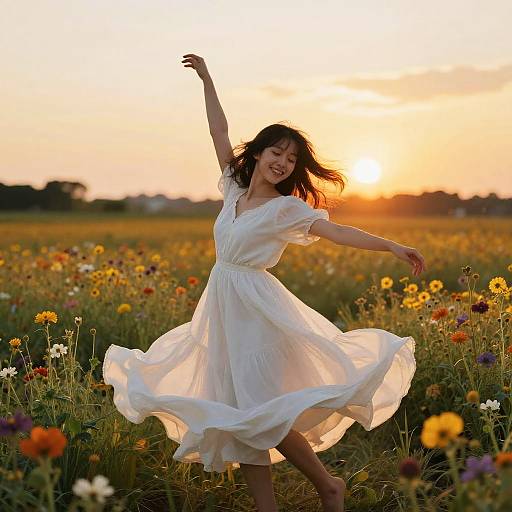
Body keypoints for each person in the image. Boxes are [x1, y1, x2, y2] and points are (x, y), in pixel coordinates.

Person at [102, 54, 426, 512]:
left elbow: (337, 232)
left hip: (257, 309)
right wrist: (208, 81)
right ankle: (274, 505)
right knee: (240, 413)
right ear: (256, 153)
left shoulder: (286, 209)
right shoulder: (233, 191)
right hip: (221, 307)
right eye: (276, 152)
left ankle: (327, 484)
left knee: (258, 410)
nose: (283, 162)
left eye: (292, 159)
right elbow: (218, 132)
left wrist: (391, 245)